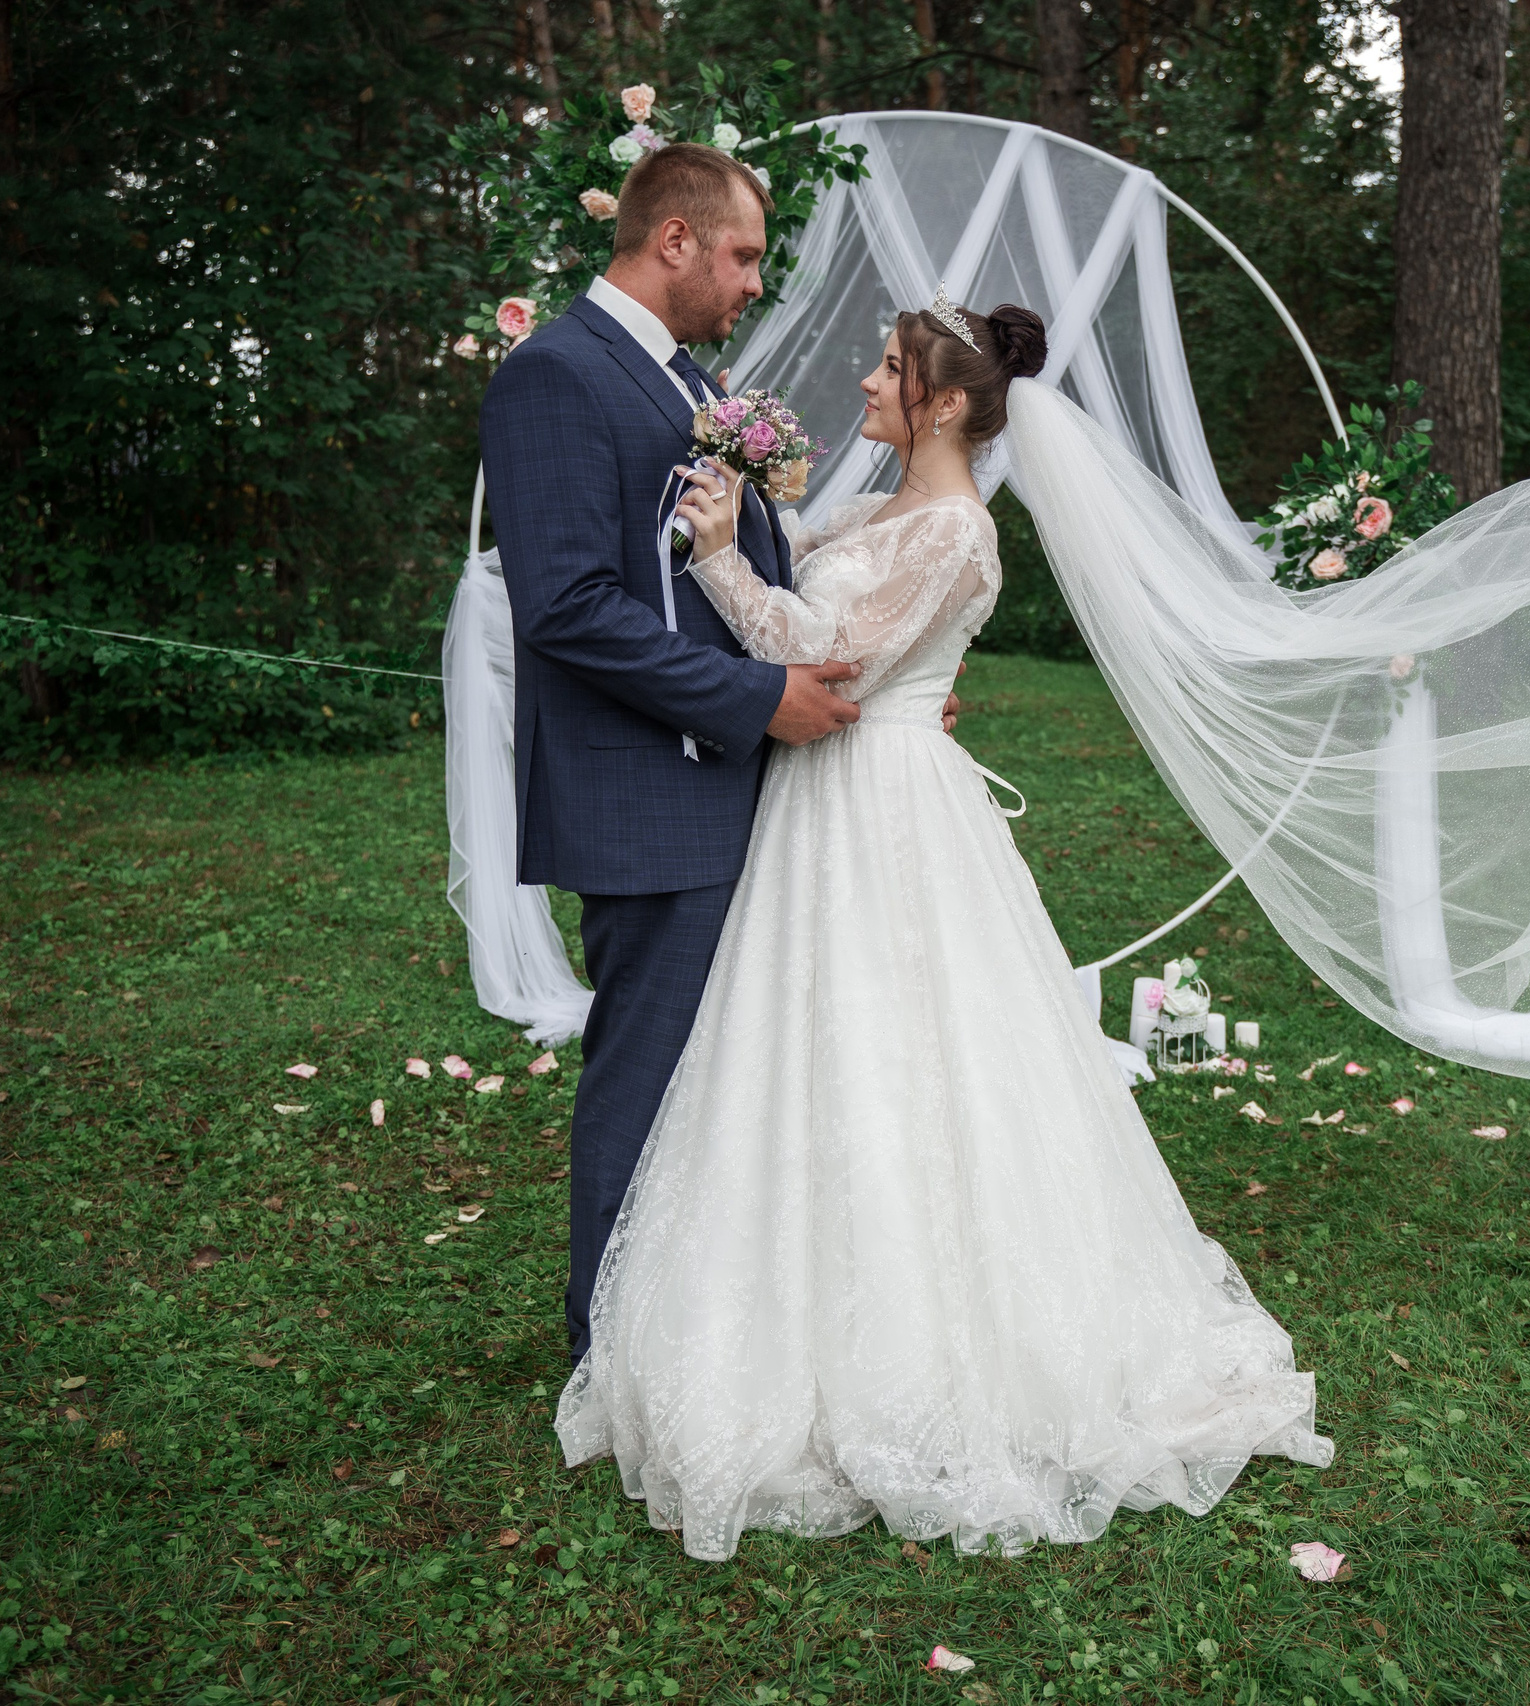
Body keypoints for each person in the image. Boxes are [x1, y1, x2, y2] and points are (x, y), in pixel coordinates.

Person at [552, 295, 1337, 1560]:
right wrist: (760, 513)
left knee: (907, 1038)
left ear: (949, 401)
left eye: (889, 368)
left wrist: (717, 558)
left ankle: (936, 1334)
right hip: (820, 804)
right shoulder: (878, 512)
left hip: (886, 805)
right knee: (807, 1039)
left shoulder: (962, 532)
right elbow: (833, 588)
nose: (866, 382)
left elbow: (833, 661)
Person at [476, 144, 957, 1365]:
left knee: (730, 1074)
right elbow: (570, 605)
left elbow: (749, 569)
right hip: (648, 790)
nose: (754, 281)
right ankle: (614, 1350)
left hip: (736, 778)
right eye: (741, 254)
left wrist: (869, 688)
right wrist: (758, 699)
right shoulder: (557, 375)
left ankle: (708, 1321)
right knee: (648, 1070)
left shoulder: (678, 378)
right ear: (673, 240)